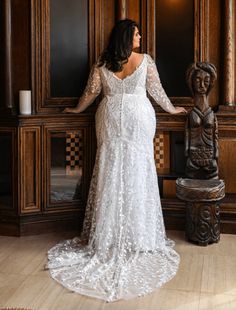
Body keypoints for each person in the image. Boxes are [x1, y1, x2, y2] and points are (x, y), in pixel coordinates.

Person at [46, 19, 187, 302]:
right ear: (126, 36)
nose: (140, 37)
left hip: (110, 116)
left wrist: (76, 109)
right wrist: (171, 109)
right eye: (136, 33)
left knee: (111, 169)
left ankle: (109, 237)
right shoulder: (144, 60)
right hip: (138, 116)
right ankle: (140, 236)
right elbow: (157, 91)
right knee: (138, 171)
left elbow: (90, 93)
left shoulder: (103, 62)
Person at [185, 62, 218, 179]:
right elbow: (187, 133)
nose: (202, 85)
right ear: (192, 83)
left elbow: (215, 135)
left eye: (206, 81)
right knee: (189, 176)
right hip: (193, 155)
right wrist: (186, 151)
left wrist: (216, 153)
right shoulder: (192, 113)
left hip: (209, 154)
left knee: (214, 175)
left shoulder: (211, 114)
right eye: (197, 80)